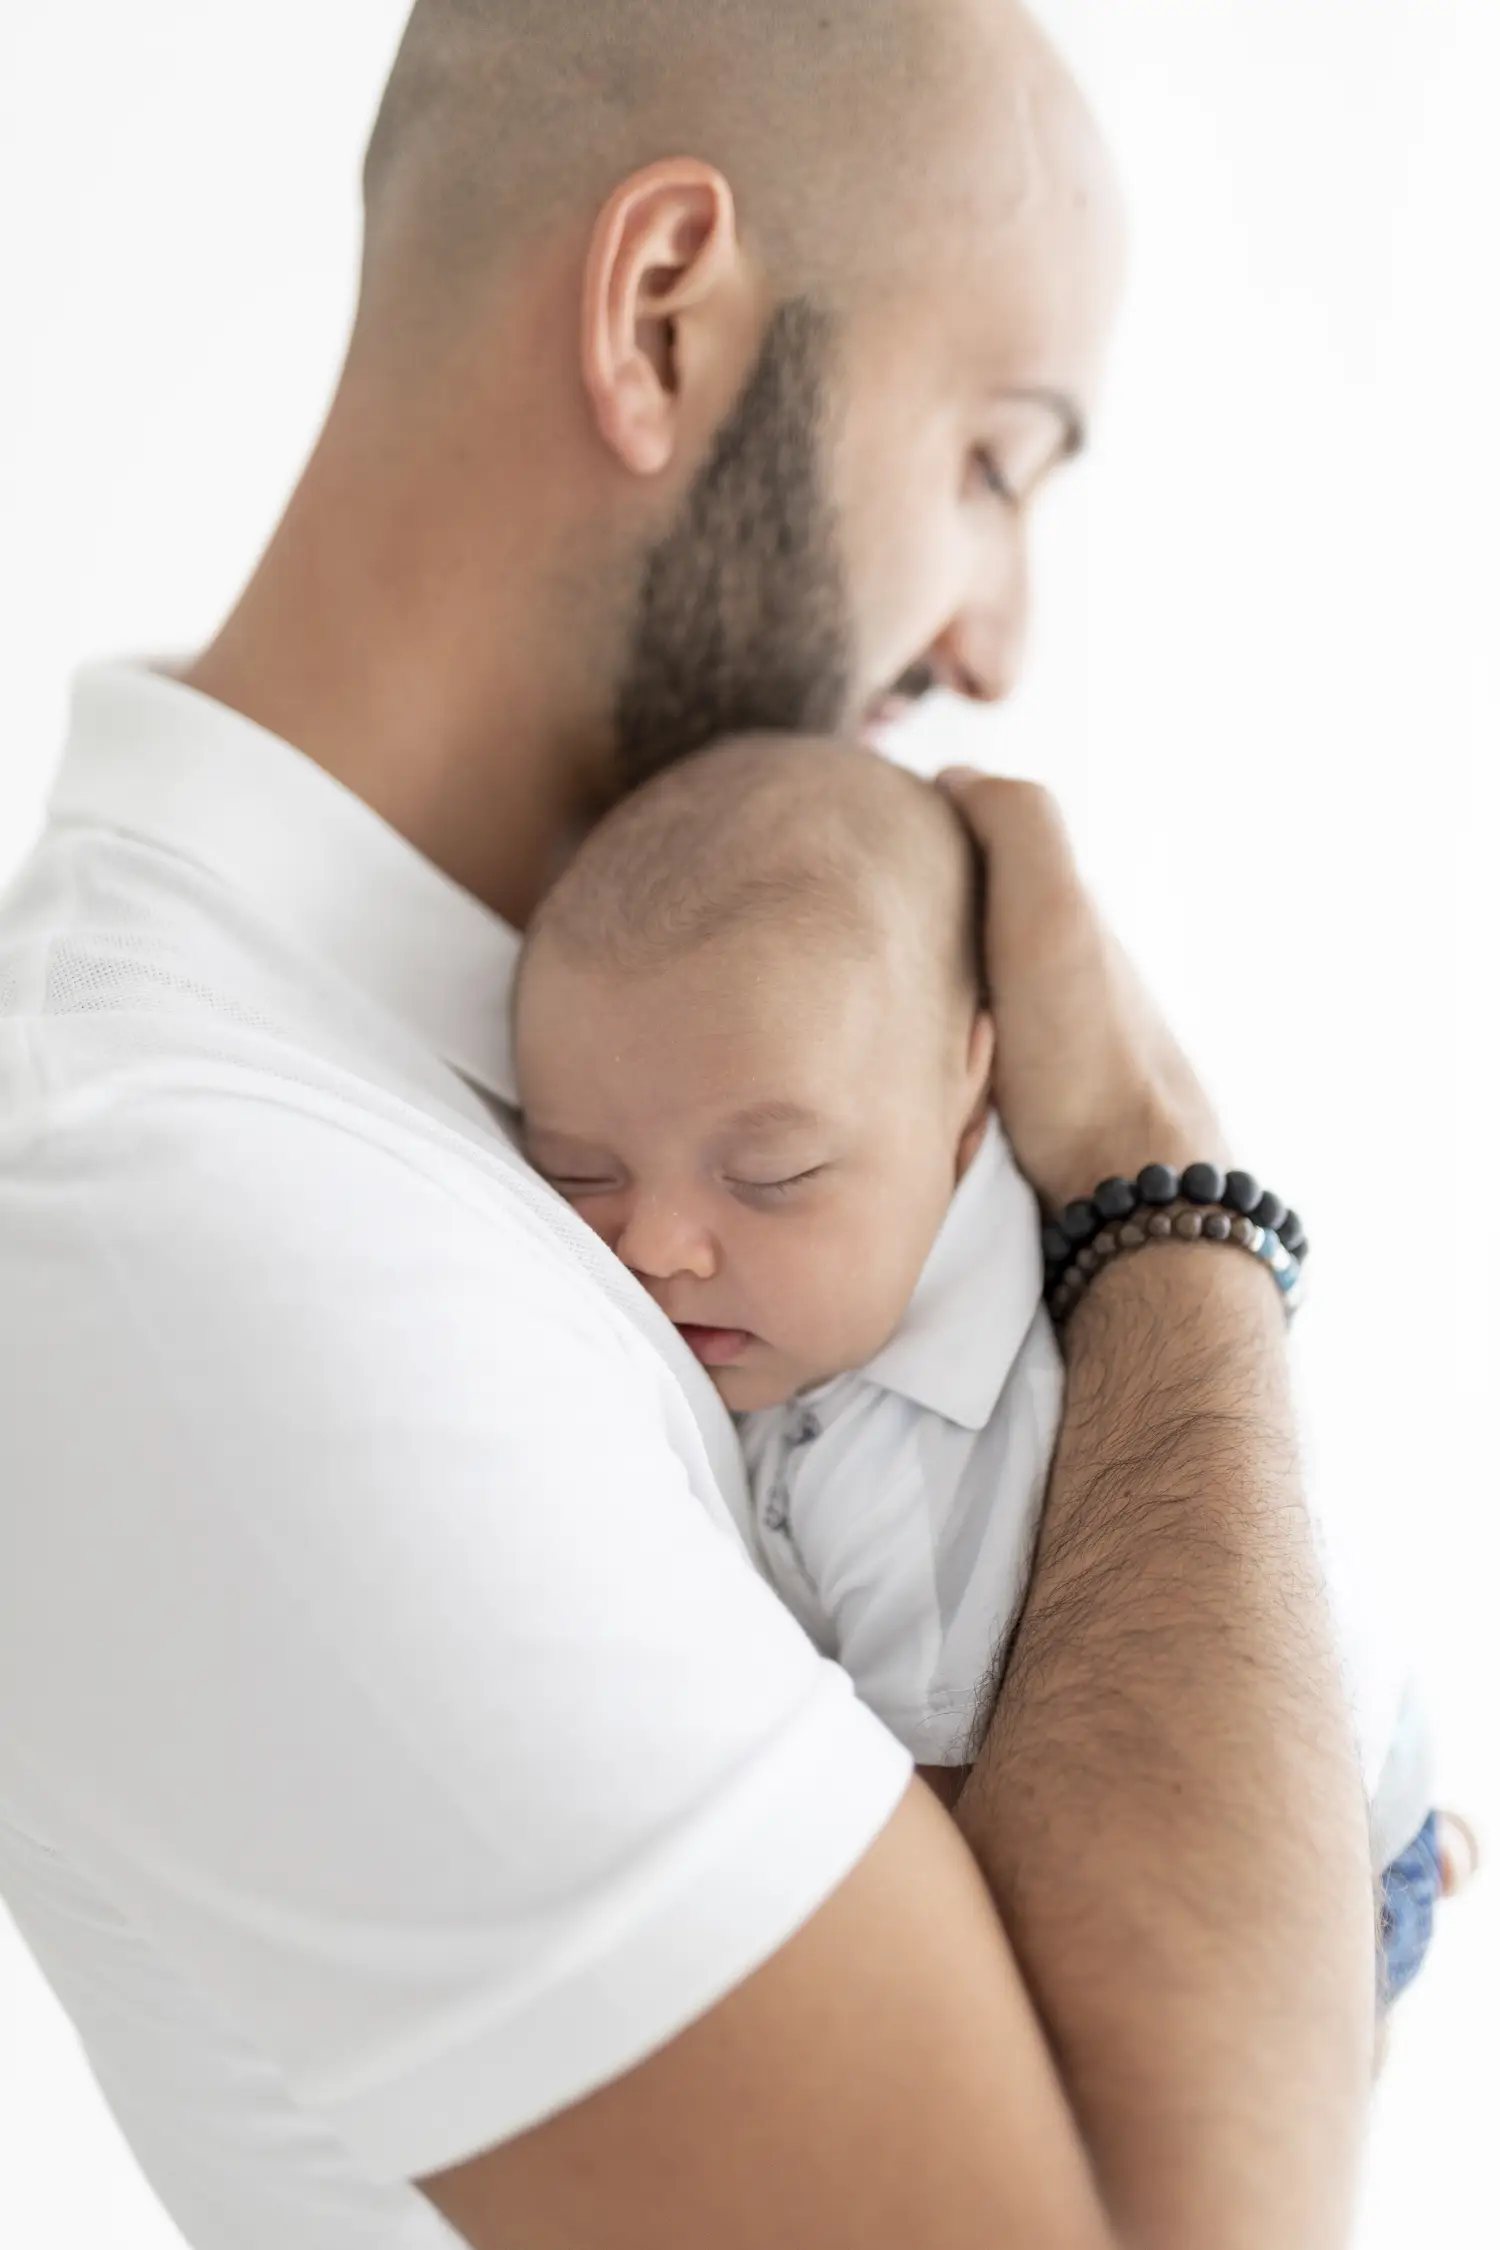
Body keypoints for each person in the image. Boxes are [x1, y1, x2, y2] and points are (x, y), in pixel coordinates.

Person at [0, 3, 1465, 2246]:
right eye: (990, 458)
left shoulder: (525, 1074)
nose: (996, 640)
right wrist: (1167, 1199)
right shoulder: (186, 1204)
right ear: (662, 314)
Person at [511, 728, 1455, 2017]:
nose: (658, 1248)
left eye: (773, 1178)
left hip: (1306, 1859)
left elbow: (955, 1858)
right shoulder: (848, 1237)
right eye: (581, 1172)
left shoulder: (928, 1454)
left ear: (970, 1103)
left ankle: (1415, 1861)